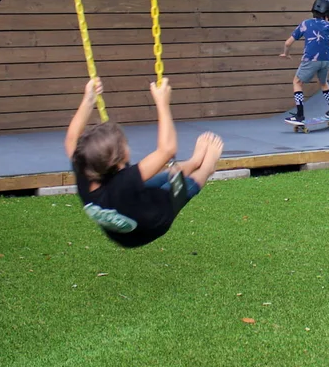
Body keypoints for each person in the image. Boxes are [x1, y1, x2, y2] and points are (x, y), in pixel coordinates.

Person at [64, 77, 224, 248]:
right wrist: (162, 103)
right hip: (148, 225)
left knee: (164, 177)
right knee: (178, 188)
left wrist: (89, 98)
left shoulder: (84, 164)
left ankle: (195, 161)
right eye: (124, 144)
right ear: (117, 163)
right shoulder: (122, 184)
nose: (127, 144)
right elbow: (167, 150)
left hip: (126, 210)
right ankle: (207, 167)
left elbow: (71, 139)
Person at [280, 0, 329, 124]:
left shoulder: (305, 24)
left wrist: (286, 54)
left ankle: (300, 115)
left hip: (311, 59)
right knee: (323, 83)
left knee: (297, 82)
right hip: (327, 60)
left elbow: (287, 43)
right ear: (328, 14)